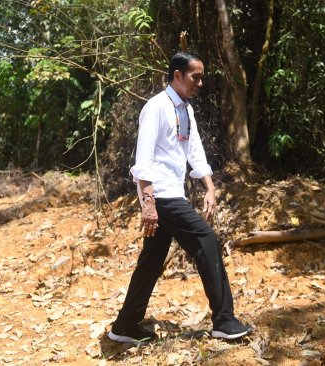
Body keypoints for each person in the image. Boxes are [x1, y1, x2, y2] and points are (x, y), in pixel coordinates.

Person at [108, 52, 252, 343]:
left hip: (173, 192)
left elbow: (195, 152)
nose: (199, 82)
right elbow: (143, 158)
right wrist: (148, 202)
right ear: (176, 76)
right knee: (206, 240)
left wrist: (209, 187)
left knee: (151, 260)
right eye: (194, 77)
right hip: (160, 194)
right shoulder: (156, 107)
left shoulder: (186, 109)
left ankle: (124, 326)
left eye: (201, 77)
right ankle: (224, 320)